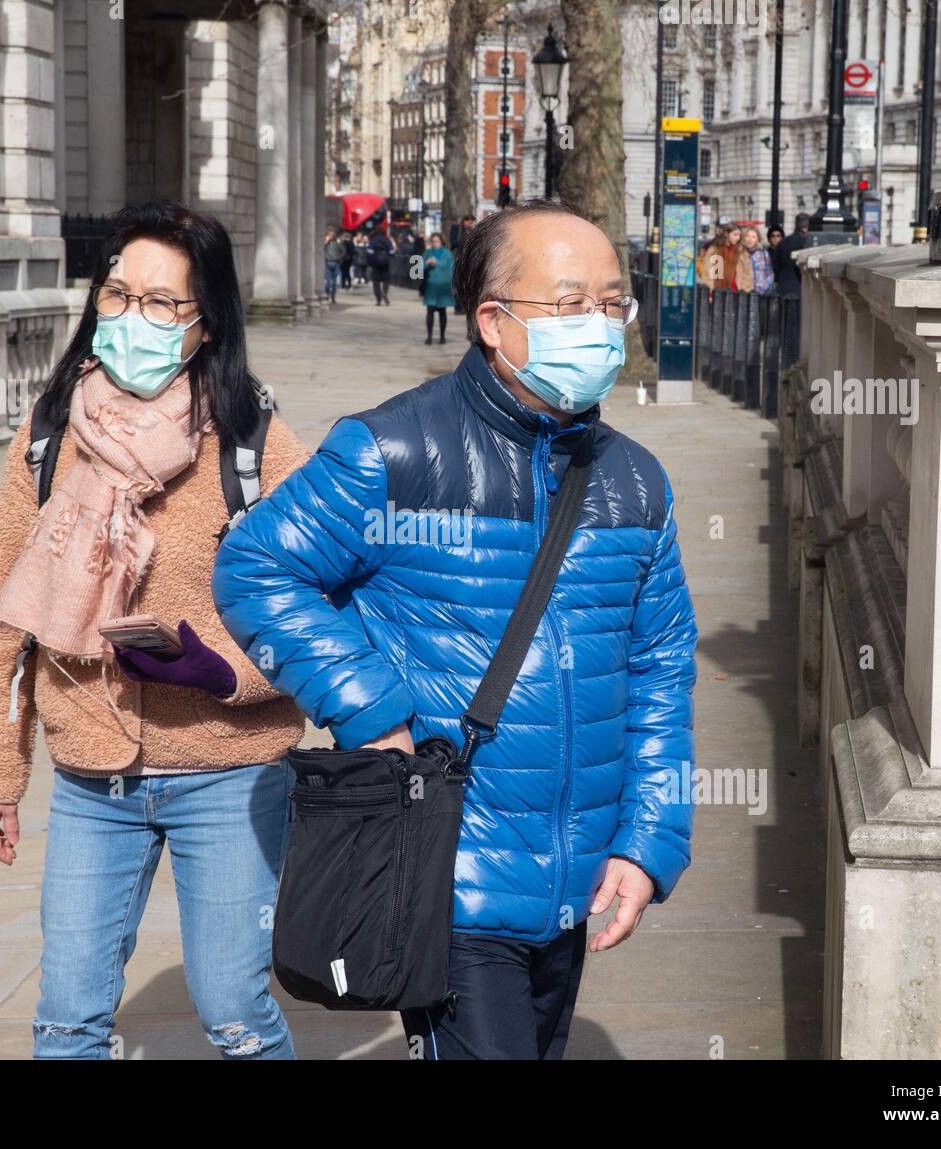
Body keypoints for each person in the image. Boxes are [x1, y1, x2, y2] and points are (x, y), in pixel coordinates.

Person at [213, 199, 697, 1061]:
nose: (597, 324)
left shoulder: (637, 483)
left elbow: (660, 671)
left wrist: (648, 839)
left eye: (610, 302)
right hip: (448, 873)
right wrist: (373, 711)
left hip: (573, 880)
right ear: (492, 323)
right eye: (567, 302)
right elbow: (255, 567)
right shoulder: (390, 451)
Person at [0, 200, 310, 1060]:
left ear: (206, 323)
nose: (132, 318)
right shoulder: (51, 433)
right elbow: (4, 622)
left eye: (163, 303)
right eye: (118, 294)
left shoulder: (255, 443)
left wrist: (225, 672)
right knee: (67, 1015)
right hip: (90, 777)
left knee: (235, 1009)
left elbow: (320, 610)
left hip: (229, 773)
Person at [696, 222, 753, 292]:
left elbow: (747, 274)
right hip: (718, 291)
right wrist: (710, 289)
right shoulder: (716, 250)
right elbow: (707, 273)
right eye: (735, 235)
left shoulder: (741, 251)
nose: (738, 238)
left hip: (738, 292)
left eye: (739, 235)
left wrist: (745, 290)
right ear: (726, 234)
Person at [421, 231, 455, 344]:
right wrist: (427, 263)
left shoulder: (447, 254)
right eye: (433, 241)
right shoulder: (428, 252)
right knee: (429, 311)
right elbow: (418, 268)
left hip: (443, 286)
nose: (435, 243)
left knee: (442, 311)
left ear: (441, 241)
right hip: (431, 286)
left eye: (436, 241)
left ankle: (442, 336)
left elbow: (452, 270)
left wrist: (454, 285)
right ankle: (429, 336)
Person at [771, 212, 809, 298]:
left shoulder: (783, 242)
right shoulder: (805, 242)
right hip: (799, 285)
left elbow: (775, 264)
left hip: (782, 283)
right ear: (806, 228)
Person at [741, 226, 774, 294]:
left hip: (761, 293)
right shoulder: (740, 253)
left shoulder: (763, 253)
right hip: (744, 292)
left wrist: (765, 287)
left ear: (757, 239)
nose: (750, 239)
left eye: (753, 237)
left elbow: (769, 272)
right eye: (747, 236)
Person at [367, 227, 394, 305]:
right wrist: (389, 259)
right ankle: (384, 292)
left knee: (376, 282)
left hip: (375, 264)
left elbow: (369, 253)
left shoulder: (373, 241)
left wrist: (371, 263)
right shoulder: (387, 240)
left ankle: (378, 299)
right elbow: (392, 252)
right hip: (385, 264)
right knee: (386, 280)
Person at [324, 227, 344, 305]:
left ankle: (333, 298)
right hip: (328, 263)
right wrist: (326, 241)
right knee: (328, 282)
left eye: (333, 233)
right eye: (330, 233)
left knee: (334, 283)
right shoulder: (326, 241)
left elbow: (343, 251)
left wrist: (339, 258)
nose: (332, 235)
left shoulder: (337, 242)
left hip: (336, 263)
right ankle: (326, 296)